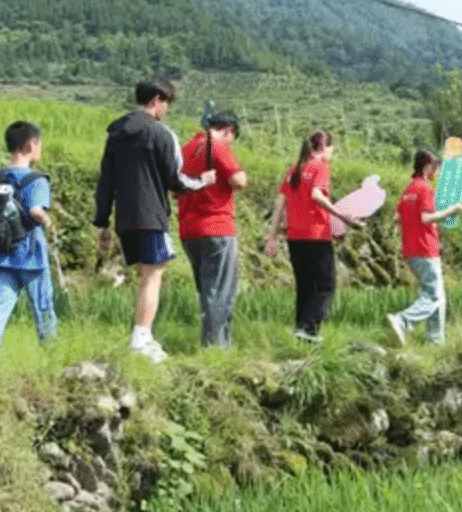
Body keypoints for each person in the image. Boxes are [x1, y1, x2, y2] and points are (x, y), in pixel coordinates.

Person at [93, 79, 215, 363]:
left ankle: (143, 335)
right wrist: (203, 181)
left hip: (124, 219)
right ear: (157, 100)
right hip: (151, 217)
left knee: (145, 275)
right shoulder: (161, 134)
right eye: (166, 104)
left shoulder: (116, 134)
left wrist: (102, 223)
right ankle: (141, 339)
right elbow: (176, 180)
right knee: (152, 277)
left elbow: (106, 181)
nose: (166, 110)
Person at [265, 129, 359, 342]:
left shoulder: (293, 171)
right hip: (316, 236)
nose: (332, 153)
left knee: (305, 286)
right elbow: (316, 195)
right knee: (326, 285)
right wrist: (342, 216)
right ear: (324, 147)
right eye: (331, 148)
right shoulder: (321, 167)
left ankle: (301, 330)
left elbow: (279, 206)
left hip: (295, 238)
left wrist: (272, 238)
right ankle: (309, 330)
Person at [0, 121, 56, 348]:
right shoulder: (37, 180)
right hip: (31, 256)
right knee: (42, 305)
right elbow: (35, 211)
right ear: (31, 145)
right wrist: (49, 222)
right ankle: (51, 350)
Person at [176, 112, 248, 348]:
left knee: (207, 291)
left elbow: (176, 187)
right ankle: (216, 348)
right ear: (228, 130)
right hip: (216, 227)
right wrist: (240, 171)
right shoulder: (217, 146)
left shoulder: (185, 149)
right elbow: (238, 181)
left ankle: (211, 343)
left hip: (189, 230)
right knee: (220, 292)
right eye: (232, 138)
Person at [386, 150, 462, 346]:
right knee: (433, 296)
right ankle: (402, 321)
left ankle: (435, 341)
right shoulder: (424, 189)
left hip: (411, 250)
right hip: (425, 249)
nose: (437, 172)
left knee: (437, 295)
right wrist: (450, 211)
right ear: (428, 167)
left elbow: (397, 218)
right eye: (436, 168)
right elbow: (426, 218)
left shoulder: (408, 190)